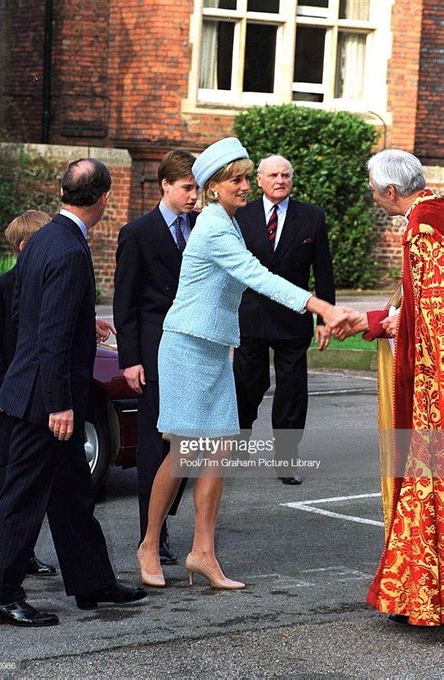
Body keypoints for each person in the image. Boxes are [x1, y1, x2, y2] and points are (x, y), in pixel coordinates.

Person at [136, 137, 357, 590]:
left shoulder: (226, 220)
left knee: (219, 450)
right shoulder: (216, 226)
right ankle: (149, 544)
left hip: (214, 348)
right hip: (186, 346)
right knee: (183, 453)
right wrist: (322, 307)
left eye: (244, 177)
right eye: (236, 179)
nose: (244, 185)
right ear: (214, 186)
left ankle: (202, 552)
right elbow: (258, 277)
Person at [0, 159, 147, 627]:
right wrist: (60, 405)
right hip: (43, 402)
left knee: (72, 495)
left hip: (36, 391)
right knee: (22, 497)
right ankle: (0, 596)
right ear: (105, 198)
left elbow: (31, 313)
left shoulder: (47, 237)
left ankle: (93, 583)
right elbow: (48, 334)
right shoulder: (68, 249)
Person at [340, 149, 443, 627]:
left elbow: (431, 321)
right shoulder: (436, 210)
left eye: (373, 188)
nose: (372, 196)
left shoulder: (421, 227)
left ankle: (423, 596)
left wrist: (380, 325)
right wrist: (378, 321)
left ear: (390, 192)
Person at [114, 150, 198, 565]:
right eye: (187, 188)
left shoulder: (203, 229)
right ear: (165, 185)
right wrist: (130, 359)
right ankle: (155, 535)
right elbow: (124, 302)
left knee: (187, 443)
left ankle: (163, 519)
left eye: (198, 188)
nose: (194, 196)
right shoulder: (137, 232)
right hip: (152, 352)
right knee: (155, 445)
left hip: (194, 350)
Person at [234, 155, 335, 485]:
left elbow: (323, 270)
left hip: (294, 318)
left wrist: (326, 317)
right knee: (248, 384)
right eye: (273, 175)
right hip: (250, 316)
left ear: (292, 180)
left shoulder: (312, 217)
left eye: (286, 175)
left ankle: (286, 459)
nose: (280, 180)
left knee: (292, 392)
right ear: (260, 180)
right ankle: (240, 441)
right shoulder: (240, 216)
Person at [0, 210, 57, 578]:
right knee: (4, 483)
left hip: (35, 401)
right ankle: (1, 557)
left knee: (31, 485)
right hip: (6, 403)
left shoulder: (46, 287)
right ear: (26, 246)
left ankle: (23, 554)